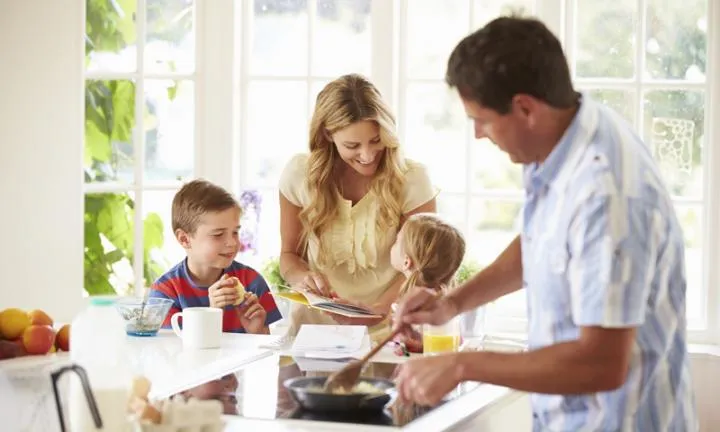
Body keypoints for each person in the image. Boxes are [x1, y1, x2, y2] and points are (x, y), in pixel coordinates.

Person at [393, 16, 698, 431]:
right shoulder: (563, 138)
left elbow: (602, 364)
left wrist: (463, 365)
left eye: (481, 120)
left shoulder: (606, 194)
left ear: (525, 108)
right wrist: (452, 303)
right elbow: (541, 241)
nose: (479, 135)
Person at [279, 73, 437, 341]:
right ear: (327, 134)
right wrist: (302, 278)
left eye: (376, 140)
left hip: (389, 332)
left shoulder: (411, 179)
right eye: (352, 145)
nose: (367, 155)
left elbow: (425, 266)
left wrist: (381, 308)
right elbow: (288, 255)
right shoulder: (299, 175)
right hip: (311, 334)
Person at [150, 179, 282, 334]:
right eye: (218, 235)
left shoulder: (252, 281)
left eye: (235, 232)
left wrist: (257, 331)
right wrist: (212, 315)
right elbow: (173, 352)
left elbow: (266, 352)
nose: (232, 242)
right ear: (184, 239)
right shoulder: (165, 293)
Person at [388, 213, 466, 354]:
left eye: (396, 241)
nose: (392, 245)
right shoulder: (445, 303)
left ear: (406, 261)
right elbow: (458, 340)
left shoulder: (418, 307)